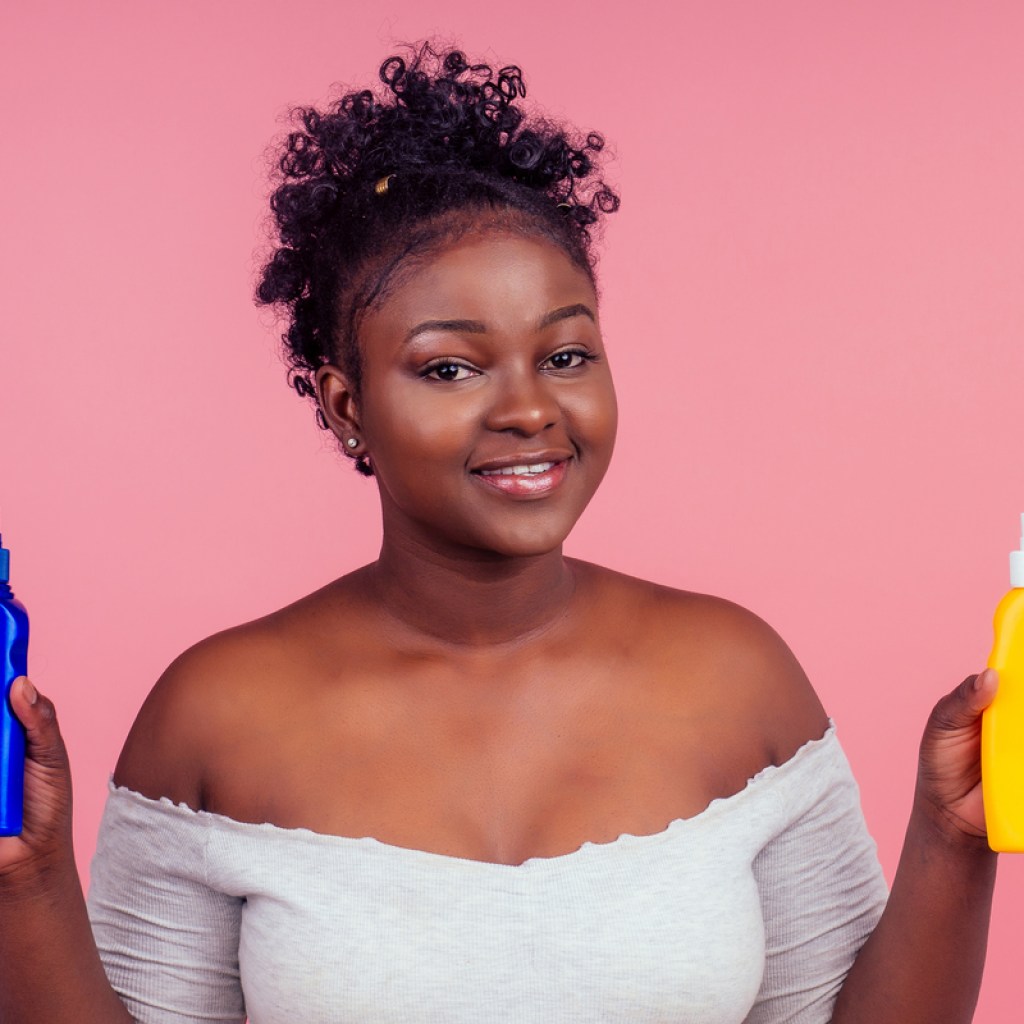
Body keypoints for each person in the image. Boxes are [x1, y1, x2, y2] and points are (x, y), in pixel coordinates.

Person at [0, 43, 999, 1024]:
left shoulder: (736, 678)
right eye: (450, 368)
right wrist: (28, 883)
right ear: (346, 404)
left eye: (565, 354)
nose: (529, 408)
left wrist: (951, 839)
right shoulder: (215, 714)